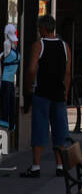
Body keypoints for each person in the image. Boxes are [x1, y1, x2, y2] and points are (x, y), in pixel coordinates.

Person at [20, 14, 70, 178]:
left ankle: (36, 167)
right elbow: (68, 72)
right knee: (60, 131)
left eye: (38, 28)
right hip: (59, 94)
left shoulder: (38, 45)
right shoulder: (64, 46)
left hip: (42, 93)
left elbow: (31, 69)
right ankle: (60, 166)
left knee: (39, 129)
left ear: (42, 28)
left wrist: (28, 88)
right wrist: (66, 91)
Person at [1, 24, 19, 131]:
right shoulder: (14, 47)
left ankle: (5, 125)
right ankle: (12, 125)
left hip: (5, 80)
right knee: (11, 105)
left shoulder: (6, 43)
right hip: (12, 81)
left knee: (5, 105)